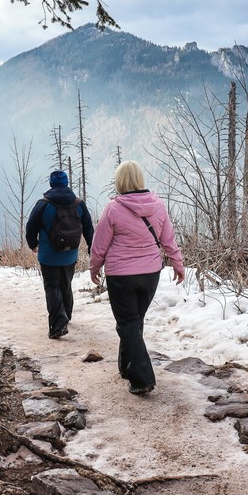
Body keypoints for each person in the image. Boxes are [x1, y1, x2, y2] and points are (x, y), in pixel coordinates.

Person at [88, 161, 185, 395]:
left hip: (121, 276)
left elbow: (99, 244)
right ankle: (126, 366)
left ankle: (142, 378)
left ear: (120, 181)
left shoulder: (113, 208)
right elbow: (168, 239)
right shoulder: (158, 205)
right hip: (150, 273)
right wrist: (177, 264)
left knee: (128, 322)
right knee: (134, 320)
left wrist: (94, 268)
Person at [25, 170, 94, 339]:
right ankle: (67, 315)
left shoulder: (43, 203)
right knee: (65, 284)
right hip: (70, 254)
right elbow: (88, 227)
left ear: (51, 183)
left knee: (52, 287)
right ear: (67, 183)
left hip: (48, 255)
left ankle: (57, 325)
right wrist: (93, 247)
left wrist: (33, 244)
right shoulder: (78, 203)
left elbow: (30, 226)